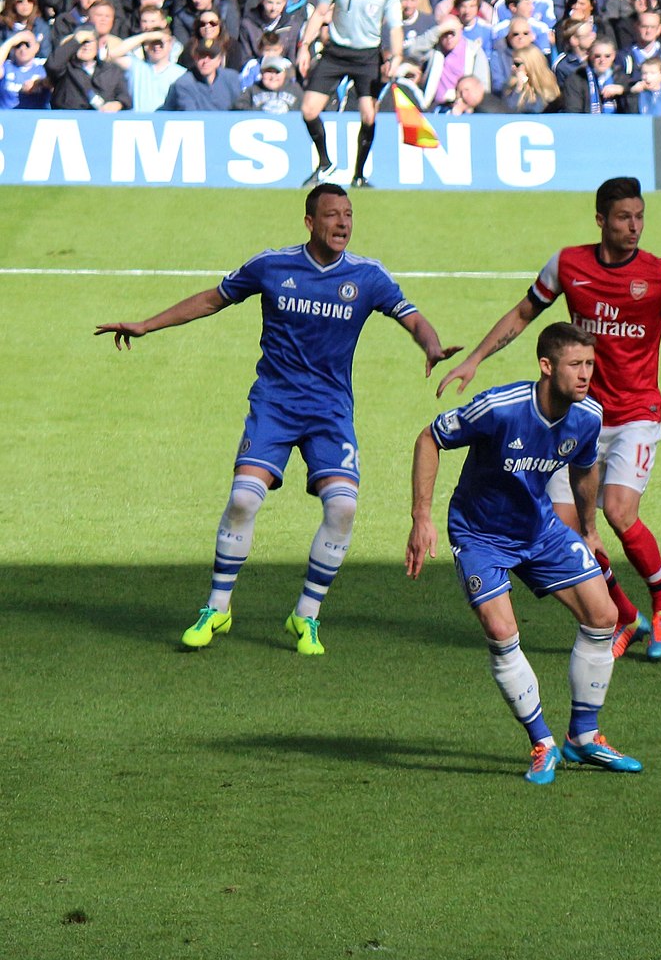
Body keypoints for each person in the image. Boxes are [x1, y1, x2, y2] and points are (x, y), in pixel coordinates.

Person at [94, 184, 457, 657]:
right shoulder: (271, 266)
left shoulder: (367, 277)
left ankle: (306, 614)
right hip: (275, 404)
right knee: (244, 498)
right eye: (332, 215)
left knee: (343, 508)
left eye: (348, 214)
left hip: (329, 412)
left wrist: (430, 346)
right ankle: (217, 608)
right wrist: (146, 324)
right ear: (310, 222)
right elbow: (211, 300)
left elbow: (412, 318)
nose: (343, 223)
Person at [437, 176, 661, 663]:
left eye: (639, 217)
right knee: (571, 531)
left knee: (617, 510)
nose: (634, 227)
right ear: (600, 220)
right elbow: (524, 313)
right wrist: (475, 359)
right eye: (623, 218)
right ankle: (625, 616)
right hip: (577, 421)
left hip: (636, 413)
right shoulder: (569, 264)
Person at [407, 323, 642, 786]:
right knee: (502, 630)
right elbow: (429, 439)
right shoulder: (501, 408)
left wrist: (591, 530)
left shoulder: (587, 415)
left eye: (590, 365)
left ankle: (584, 736)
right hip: (480, 534)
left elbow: (584, 468)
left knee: (604, 614)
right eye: (576, 365)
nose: (585, 375)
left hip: (539, 529)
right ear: (546, 366)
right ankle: (542, 743)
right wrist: (421, 517)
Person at [297, 0, 403, 189]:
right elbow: (320, 12)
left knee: (368, 115)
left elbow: (395, 26)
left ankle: (358, 175)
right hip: (336, 52)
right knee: (309, 110)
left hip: (367, 55)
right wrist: (304, 46)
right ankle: (325, 162)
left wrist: (396, 56)